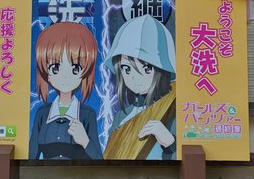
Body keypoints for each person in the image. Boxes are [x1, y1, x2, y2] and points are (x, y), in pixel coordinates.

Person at [105, 14, 176, 160]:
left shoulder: (174, 111)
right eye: (126, 69)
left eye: (147, 68)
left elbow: (181, 159)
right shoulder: (121, 117)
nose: (134, 77)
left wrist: (169, 143)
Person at [29, 21, 102, 160]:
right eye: (55, 68)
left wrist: (85, 141)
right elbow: (31, 156)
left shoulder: (87, 115)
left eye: (75, 68)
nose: (66, 76)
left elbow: (100, 160)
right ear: (45, 72)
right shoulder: (42, 114)